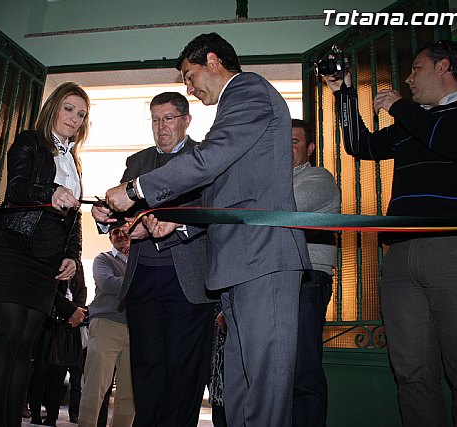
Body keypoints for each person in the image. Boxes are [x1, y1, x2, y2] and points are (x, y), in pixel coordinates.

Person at [104, 33, 311, 427]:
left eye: (188, 74)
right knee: (241, 381)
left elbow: (209, 159)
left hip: (262, 257)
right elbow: (226, 191)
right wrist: (179, 218)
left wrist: (136, 189)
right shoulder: (237, 107)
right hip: (239, 262)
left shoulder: (249, 90)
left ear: (213, 61)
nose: (189, 87)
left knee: (264, 382)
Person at [325, 39, 457, 426]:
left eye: (417, 69)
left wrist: (400, 108)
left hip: (455, 251)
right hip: (400, 255)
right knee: (411, 374)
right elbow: (360, 146)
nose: (408, 80)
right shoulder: (414, 120)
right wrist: (341, 92)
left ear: (444, 68)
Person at [93, 91, 217, 427]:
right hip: (143, 278)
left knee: (183, 368)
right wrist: (105, 216)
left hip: (188, 279)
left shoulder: (205, 157)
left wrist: (177, 225)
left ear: (186, 120)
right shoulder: (137, 162)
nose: (161, 127)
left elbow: (214, 210)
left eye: (168, 118)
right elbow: (124, 212)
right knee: (146, 366)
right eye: (155, 119)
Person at [0, 82, 89, 427]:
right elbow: (17, 188)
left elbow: (75, 216)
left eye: (81, 114)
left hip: (46, 258)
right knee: (9, 335)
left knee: (26, 344)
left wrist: (73, 254)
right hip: (13, 245)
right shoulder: (30, 141)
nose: (75, 118)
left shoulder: (75, 161)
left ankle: (11, 422)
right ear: (54, 108)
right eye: (69, 108)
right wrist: (52, 190)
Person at [290, 119, 340, 426]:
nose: (285, 148)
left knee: (303, 371)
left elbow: (282, 211)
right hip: (278, 279)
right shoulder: (271, 180)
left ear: (309, 149)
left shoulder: (318, 177)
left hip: (307, 280)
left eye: (294, 142)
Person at [78, 226, 134, 427]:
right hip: (106, 326)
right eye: (115, 232)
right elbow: (108, 284)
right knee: (95, 386)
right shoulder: (103, 259)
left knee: (129, 392)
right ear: (110, 238)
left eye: (124, 230)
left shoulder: (140, 260)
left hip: (136, 330)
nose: (121, 235)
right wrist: (142, 282)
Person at [28, 270, 86, 427]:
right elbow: (48, 290)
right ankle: (35, 415)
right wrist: (70, 310)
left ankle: (52, 418)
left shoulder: (77, 267)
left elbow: (81, 291)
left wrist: (77, 311)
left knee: (59, 375)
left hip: (68, 328)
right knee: (40, 373)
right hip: (48, 324)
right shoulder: (54, 260)